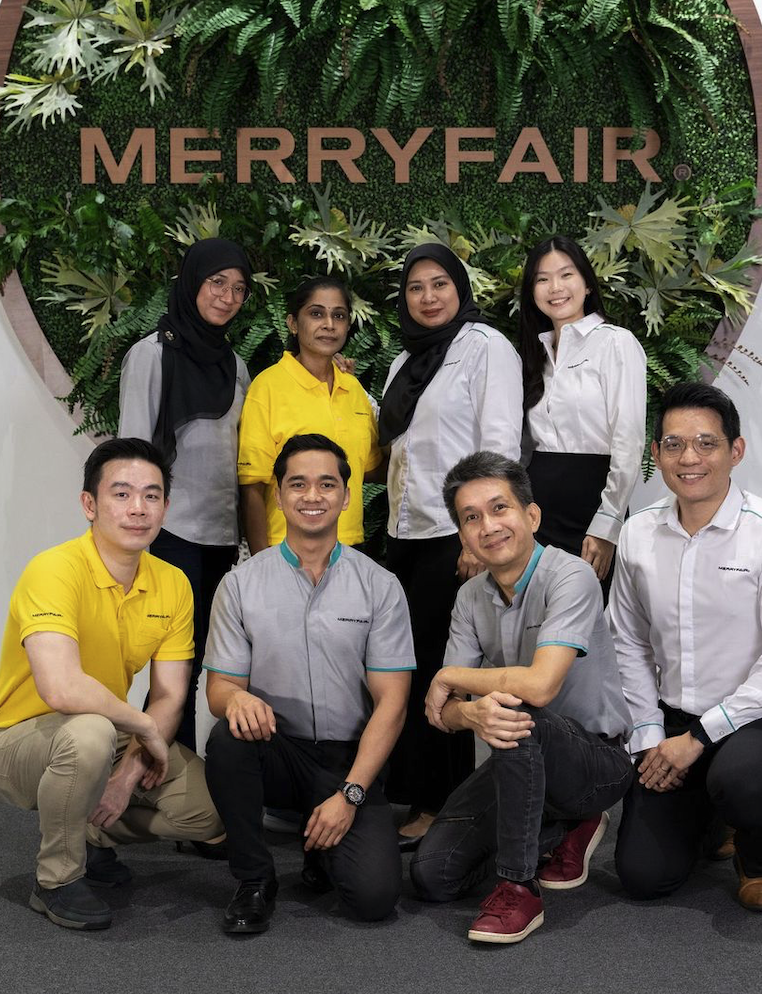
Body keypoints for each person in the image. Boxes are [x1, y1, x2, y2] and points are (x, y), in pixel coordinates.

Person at [0, 439, 224, 931]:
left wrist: (127, 775)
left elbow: (170, 694)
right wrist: (143, 728)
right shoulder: (54, 569)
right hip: (22, 737)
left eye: (151, 495)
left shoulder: (173, 583)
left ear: (165, 507)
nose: (137, 508)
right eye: (121, 494)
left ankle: (90, 833)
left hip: (107, 728)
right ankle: (56, 878)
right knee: (90, 734)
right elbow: (61, 689)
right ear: (90, 504)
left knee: (207, 812)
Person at [410, 451, 632, 944]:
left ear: (531, 515)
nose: (488, 526)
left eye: (499, 508)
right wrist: (471, 713)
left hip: (596, 763)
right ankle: (559, 829)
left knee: (517, 710)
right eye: (471, 518)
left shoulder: (571, 575)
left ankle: (518, 886)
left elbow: (539, 686)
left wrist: (452, 677)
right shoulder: (470, 597)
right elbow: (444, 710)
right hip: (522, 764)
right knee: (433, 875)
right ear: (463, 536)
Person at [203, 433, 415, 933]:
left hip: (349, 760)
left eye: (327, 484)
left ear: (346, 495)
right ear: (278, 495)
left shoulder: (380, 586)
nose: (312, 496)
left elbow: (393, 704)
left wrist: (351, 794)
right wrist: (236, 699)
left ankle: (321, 848)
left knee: (374, 899)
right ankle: (254, 879)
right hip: (279, 749)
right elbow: (219, 689)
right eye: (297, 484)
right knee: (228, 737)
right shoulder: (240, 584)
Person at [379, 242, 523, 847]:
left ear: (460, 289)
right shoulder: (403, 360)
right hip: (403, 534)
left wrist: (477, 533)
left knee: (448, 672)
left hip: (453, 537)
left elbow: (500, 445)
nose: (428, 296)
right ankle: (415, 793)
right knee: (405, 668)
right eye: (416, 287)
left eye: (440, 283)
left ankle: (441, 804)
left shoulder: (486, 347)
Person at [609, 382, 762, 910]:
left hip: (751, 723)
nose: (689, 458)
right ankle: (714, 820)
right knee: (643, 877)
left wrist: (699, 737)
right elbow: (626, 640)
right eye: (673, 444)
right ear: (656, 454)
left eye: (706, 443)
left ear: (735, 450)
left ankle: (755, 850)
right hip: (673, 723)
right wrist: (651, 735)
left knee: (743, 781)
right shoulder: (638, 534)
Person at [118, 237, 252, 752]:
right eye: (217, 282)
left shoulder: (234, 365)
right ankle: (156, 769)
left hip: (221, 535)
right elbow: (131, 454)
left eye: (238, 288)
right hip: (172, 532)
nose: (227, 297)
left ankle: (171, 770)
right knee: (173, 664)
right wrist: (134, 531)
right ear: (193, 282)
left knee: (201, 663)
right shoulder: (152, 355)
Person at [519, 235, 646, 591]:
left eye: (566, 275)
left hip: (591, 506)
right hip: (536, 509)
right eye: (542, 279)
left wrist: (607, 524)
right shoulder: (534, 355)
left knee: (588, 611)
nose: (555, 288)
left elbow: (629, 441)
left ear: (587, 283)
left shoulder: (615, 342)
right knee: (536, 611)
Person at [237, 277, 383, 555]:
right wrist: (262, 564)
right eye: (316, 314)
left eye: (339, 315)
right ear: (293, 323)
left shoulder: (353, 389)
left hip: (349, 547)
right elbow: (252, 485)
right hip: (287, 548)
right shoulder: (268, 387)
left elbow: (371, 466)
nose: (329, 324)